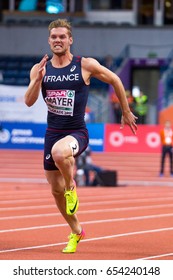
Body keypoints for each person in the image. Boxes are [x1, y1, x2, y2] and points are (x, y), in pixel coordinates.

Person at [24, 18, 137, 254]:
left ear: (70, 40)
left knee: (60, 154)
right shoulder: (40, 68)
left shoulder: (84, 65)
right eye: (54, 37)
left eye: (62, 37)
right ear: (49, 40)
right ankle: (76, 231)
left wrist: (126, 111)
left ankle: (71, 185)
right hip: (52, 132)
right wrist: (38, 79)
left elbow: (115, 79)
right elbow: (29, 101)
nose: (58, 40)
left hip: (76, 132)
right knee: (55, 190)